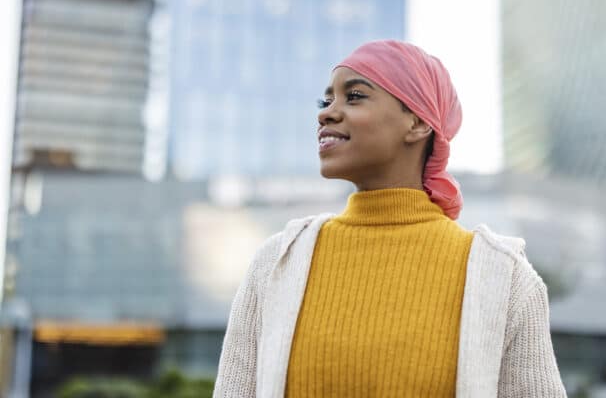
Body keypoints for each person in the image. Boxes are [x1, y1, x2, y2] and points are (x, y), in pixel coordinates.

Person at [213, 40, 567, 397]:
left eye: (354, 96)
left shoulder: (505, 278)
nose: (326, 113)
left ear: (416, 122)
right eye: (326, 101)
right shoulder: (276, 263)